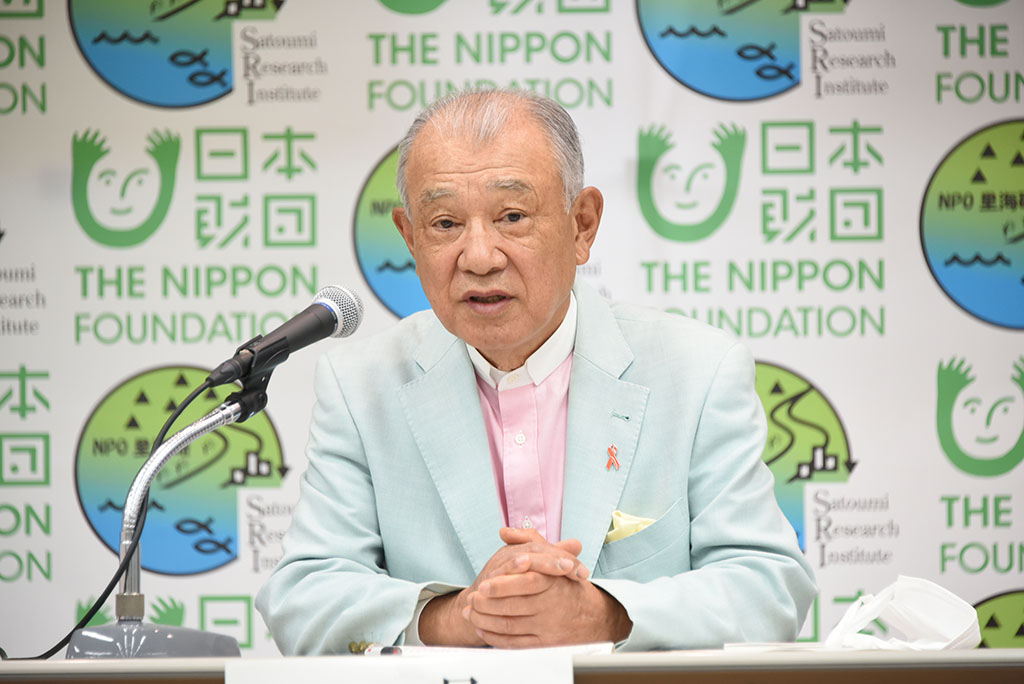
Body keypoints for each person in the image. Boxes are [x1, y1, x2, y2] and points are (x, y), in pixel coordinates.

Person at [256, 89, 815, 653]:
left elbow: (769, 588)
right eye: (445, 223)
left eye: (513, 217)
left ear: (582, 225)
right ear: (408, 236)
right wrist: (462, 618)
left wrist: (604, 615)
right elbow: (305, 596)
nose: (479, 256)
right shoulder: (361, 386)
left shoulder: (697, 371)